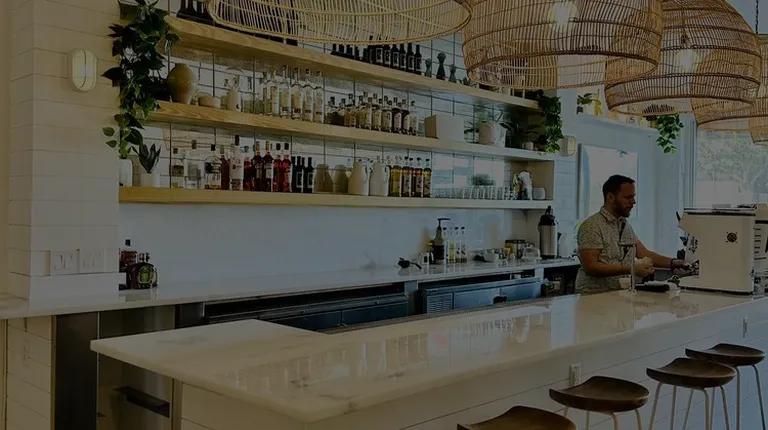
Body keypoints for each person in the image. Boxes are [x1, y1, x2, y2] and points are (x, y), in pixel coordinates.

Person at [575, 174, 688, 294]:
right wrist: (631, 269)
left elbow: (644, 254)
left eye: (633, 197)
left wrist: (673, 263)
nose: (633, 202)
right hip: (593, 296)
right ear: (610, 197)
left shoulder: (625, 225)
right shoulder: (592, 226)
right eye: (628, 197)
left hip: (619, 295)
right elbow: (591, 267)